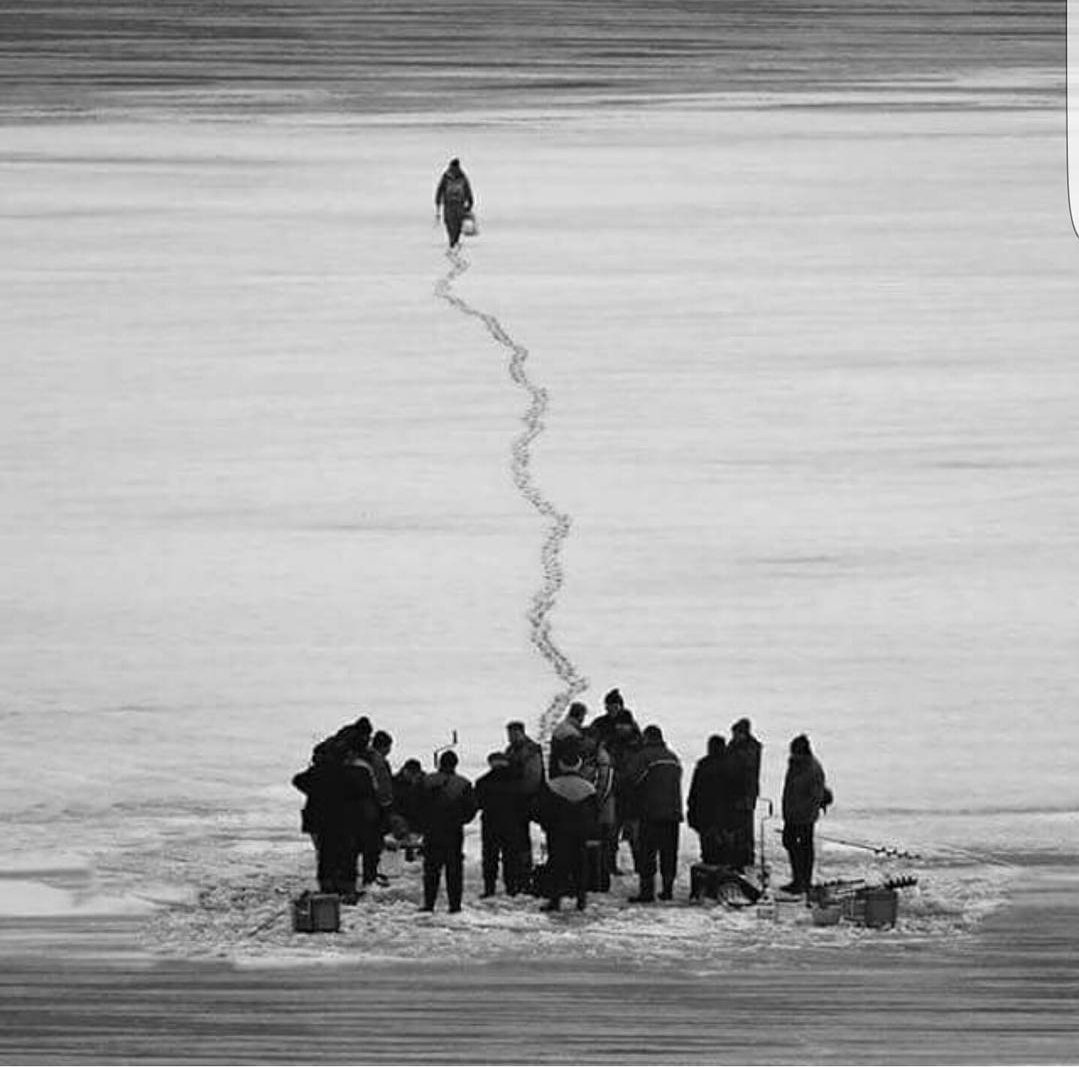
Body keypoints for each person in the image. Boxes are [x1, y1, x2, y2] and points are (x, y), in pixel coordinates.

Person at [291, 733, 375, 904]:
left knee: (326, 855)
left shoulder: (320, 772)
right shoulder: (350, 772)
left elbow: (298, 780)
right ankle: (347, 888)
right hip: (346, 820)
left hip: (323, 821)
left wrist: (315, 792)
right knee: (347, 855)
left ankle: (327, 887)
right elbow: (365, 791)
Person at [626, 724, 683, 903]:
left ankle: (646, 891)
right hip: (672, 813)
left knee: (647, 853)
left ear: (647, 738)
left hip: (650, 813)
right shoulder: (673, 757)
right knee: (669, 853)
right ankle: (668, 889)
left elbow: (632, 780)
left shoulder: (644, 757)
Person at [534, 755, 599, 912]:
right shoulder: (589, 788)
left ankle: (555, 899)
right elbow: (595, 813)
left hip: (557, 832)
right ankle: (581, 898)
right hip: (580, 833)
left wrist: (546, 826)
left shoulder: (552, 786)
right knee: (580, 865)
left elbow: (542, 810)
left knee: (557, 864)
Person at [416, 750, 477, 913]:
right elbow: (471, 809)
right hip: (453, 831)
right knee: (454, 870)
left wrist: (423, 823)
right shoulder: (463, 784)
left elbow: (417, 804)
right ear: (455, 764)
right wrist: (459, 820)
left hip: (432, 830)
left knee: (431, 870)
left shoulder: (427, 781)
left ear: (440, 763)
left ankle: (429, 904)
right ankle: (454, 906)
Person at [780, 734, 832, 895]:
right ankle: (798, 879)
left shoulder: (813, 769)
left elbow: (815, 796)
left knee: (804, 847)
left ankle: (804, 881)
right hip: (791, 813)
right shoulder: (795, 765)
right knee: (789, 842)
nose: (792, 754)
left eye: (795, 752)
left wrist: (807, 814)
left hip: (804, 816)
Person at [475, 751, 525, 897]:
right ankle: (512, 888)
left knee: (490, 857)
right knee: (511, 856)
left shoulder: (483, 782)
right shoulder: (517, 780)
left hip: (491, 823)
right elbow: (523, 803)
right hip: (512, 823)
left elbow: (477, 803)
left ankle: (489, 889)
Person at [504, 720, 545, 883]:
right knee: (517, 836)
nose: (511, 737)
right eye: (509, 734)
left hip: (527, 799)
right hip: (515, 800)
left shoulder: (530, 750)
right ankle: (520, 868)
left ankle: (525, 868)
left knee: (522, 837)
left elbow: (532, 778)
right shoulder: (511, 750)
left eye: (514, 733)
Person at [687, 735, 735, 866]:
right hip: (727, 817)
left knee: (708, 855)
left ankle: (709, 883)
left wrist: (692, 813)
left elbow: (694, 793)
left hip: (706, 817)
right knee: (726, 855)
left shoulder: (703, 765)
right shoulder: (732, 765)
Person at [579, 730, 615, 892]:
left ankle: (601, 882)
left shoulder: (602, 759)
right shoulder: (586, 758)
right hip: (589, 811)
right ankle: (591, 880)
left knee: (602, 848)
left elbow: (605, 785)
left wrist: (594, 804)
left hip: (601, 812)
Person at [727, 717, 763, 870]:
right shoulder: (739, 748)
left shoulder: (749, 750)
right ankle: (737, 859)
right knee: (736, 830)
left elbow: (743, 768)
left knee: (745, 830)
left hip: (745, 795)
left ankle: (745, 860)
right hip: (738, 795)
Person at [361, 730, 395, 887]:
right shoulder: (378, 761)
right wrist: (387, 804)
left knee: (369, 844)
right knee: (373, 844)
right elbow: (384, 787)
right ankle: (370, 876)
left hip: (365, 807)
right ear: (385, 746)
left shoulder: (365, 757)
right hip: (375, 807)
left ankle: (370, 874)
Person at [434, 157, 474, 249]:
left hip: (455, 204)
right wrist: (438, 202)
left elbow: (467, 189)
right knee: (452, 222)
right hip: (452, 204)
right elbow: (440, 189)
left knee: (454, 223)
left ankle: (454, 240)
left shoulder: (459, 177)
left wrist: (470, 202)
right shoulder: (449, 177)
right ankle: (453, 239)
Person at [548, 701, 587, 776]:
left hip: (554, 769)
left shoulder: (561, 726)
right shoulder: (572, 733)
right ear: (580, 716)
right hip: (566, 772)